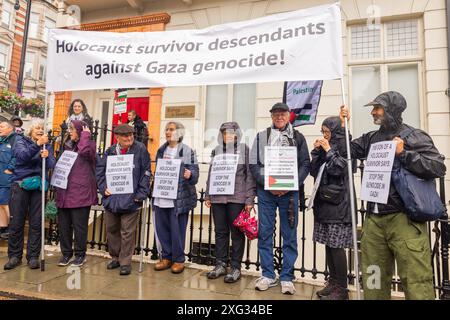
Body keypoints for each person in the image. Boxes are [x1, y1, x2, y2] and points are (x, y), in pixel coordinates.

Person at [340, 91, 446, 300]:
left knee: (416, 281)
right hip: (374, 220)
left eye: (377, 108)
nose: (373, 112)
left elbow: (437, 166)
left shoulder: (414, 135)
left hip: (404, 219)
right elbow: (345, 151)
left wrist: (404, 153)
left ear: (391, 111)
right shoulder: (371, 137)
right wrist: (343, 126)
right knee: (374, 279)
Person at [249, 102, 310, 295]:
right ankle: (268, 274)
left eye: (282, 114)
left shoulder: (298, 137)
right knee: (265, 233)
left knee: (289, 235)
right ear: (271, 116)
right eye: (275, 114)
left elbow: (305, 164)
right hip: (267, 193)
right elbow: (254, 164)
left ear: (289, 115)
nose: (279, 117)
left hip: (289, 194)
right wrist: (269, 183)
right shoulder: (261, 136)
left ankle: (286, 277)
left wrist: (289, 184)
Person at [204, 122, 256, 283]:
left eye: (231, 132)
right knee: (220, 232)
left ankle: (235, 267)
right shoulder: (217, 150)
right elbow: (212, 172)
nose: (228, 135)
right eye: (225, 133)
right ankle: (220, 264)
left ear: (237, 134)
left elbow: (250, 175)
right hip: (218, 197)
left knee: (237, 234)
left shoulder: (245, 149)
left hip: (237, 197)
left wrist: (249, 199)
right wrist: (207, 195)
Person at [96, 124, 151, 276]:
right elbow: (100, 172)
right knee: (112, 229)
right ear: (117, 137)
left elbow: (146, 173)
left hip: (131, 199)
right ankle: (115, 257)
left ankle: (125, 261)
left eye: (131, 135)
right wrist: (103, 187)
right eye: (125, 136)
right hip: (112, 198)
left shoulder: (140, 149)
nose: (129, 138)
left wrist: (141, 194)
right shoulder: (110, 151)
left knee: (127, 231)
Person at [310, 116, 354, 300]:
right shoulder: (325, 148)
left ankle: (342, 289)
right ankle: (333, 283)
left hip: (338, 206)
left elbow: (338, 169)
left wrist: (328, 150)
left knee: (337, 247)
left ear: (335, 131)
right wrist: (317, 151)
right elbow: (313, 170)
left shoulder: (344, 147)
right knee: (329, 245)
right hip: (324, 203)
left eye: (327, 132)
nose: (324, 135)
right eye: (323, 132)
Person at [4, 119, 56, 270]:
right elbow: (22, 156)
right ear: (31, 131)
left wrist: (48, 156)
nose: (40, 130)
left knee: (36, 222)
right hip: (20, 184)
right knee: (17, 222)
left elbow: (52, 165)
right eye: (37, 128)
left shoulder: (48, 145)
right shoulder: (21, 141)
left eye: (42, 128)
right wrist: (37, 145)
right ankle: (14, 256)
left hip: (38, 187)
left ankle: (33, 256)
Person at [153, 122, 199, 274]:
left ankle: (178, 259)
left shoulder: (187, 151)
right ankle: (166, 257)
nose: (168, 132)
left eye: (171, 129)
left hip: (179, 198)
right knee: (162, 228)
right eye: (166, 129)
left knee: (177, 230)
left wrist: (190, 174)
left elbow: (195, 173)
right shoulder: (161, 150)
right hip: (161, 195)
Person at [55, 120, 97, 267]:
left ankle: (80, 255)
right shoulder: (67, 146)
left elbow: (84, 152)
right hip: (64, 192)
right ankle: (66, 254)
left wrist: (85, 136)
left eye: (72, 130)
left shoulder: (89, 145)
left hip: (80, 193)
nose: (69, 132)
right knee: (64, 226)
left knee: (80, 227)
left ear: (80, 131)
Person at [0, 121, 16, 240]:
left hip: (6, 178)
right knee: (0, 203)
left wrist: (10, 169)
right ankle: (3, 227)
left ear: (10, 128)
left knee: (5, 203)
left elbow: (17, 156)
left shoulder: (15, 140)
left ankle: (12, 227)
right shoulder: (2, 141)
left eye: (2, 126)